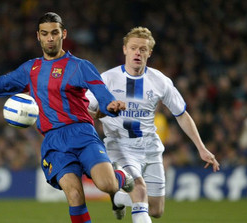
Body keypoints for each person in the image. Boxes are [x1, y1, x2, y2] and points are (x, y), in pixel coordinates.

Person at [0, 12, 134, 222]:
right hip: (54, 142)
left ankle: (121, 177)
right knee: (74, 194)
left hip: (82, 134)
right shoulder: (30, 69)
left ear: (63, 34)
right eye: (45, 34)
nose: (50, 38)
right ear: (38, 36)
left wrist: (111, 105)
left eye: (54, 33)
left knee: (106, 184)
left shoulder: (80, 66)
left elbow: (103, 95)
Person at [86, 27, 220, 223]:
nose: (137, 53)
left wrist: (201, 147)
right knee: (139, 189)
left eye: (142, 49)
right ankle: (126, 194)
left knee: (156, 210)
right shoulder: (106, 79)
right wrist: (100, 113)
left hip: (150, 147)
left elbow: (181, 114)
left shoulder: (160, 81)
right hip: (120, 146)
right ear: (124, 50)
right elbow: (83, 108)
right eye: (133, 48)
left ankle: (118, 197)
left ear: (150, 52)